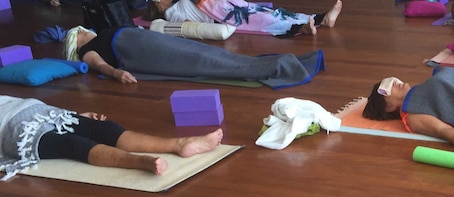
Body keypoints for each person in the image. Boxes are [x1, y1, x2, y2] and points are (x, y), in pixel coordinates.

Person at [0, 94, 223, 179]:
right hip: (14, 132)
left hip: (41, 111)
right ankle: (138, 161)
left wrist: (77, 116)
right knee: (74, 144)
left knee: (105, 129)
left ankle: (181, 144)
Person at [63, 25, 323, 88]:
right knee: (202, 61)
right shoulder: (88, 51)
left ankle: (277, 62)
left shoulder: (100, 35)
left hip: (148, 40)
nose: (85, 30)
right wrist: (117, 73)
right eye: (81, 31)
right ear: (77, 38)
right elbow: (101, 66)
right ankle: (276, 65)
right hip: (144, 52)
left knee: (204, 52)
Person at [147, 0, 343, 38]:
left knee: (267, 11)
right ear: (157, 5)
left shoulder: (180, 2)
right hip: (222, 16)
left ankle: (320, 19)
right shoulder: (172, 13)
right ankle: (301, 28)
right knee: (263, 20)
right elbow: (189, 27)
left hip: (228, 6)